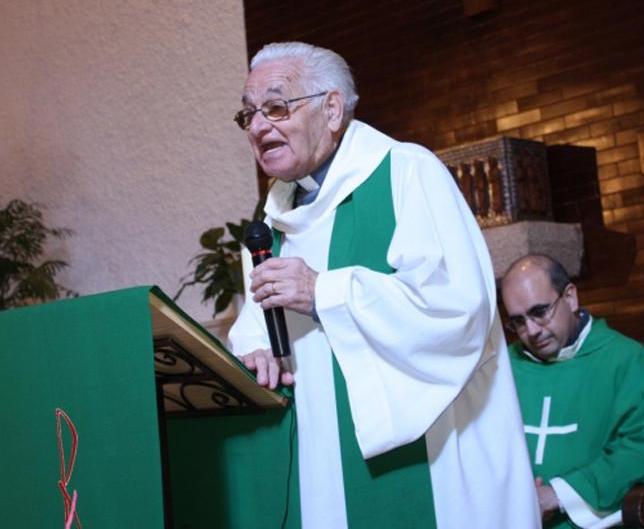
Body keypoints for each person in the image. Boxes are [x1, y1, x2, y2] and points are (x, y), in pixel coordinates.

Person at [227, 42, 540, 528]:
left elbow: (457, 312)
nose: (259, 126)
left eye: (276, 106)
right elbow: (258, 324)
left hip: (431, 463)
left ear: (332, 109)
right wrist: (254, 352)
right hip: (327, 465)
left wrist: (324, 293)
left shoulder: (406, 172)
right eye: (249, 115)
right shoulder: (273, 222)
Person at [500, 254, 644, 528]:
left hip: (605, 519)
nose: (532, 331)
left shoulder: (624, 359)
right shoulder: (504, 368)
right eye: (518, 322)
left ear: (570, 298)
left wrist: (559, 494)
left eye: (539, 312)